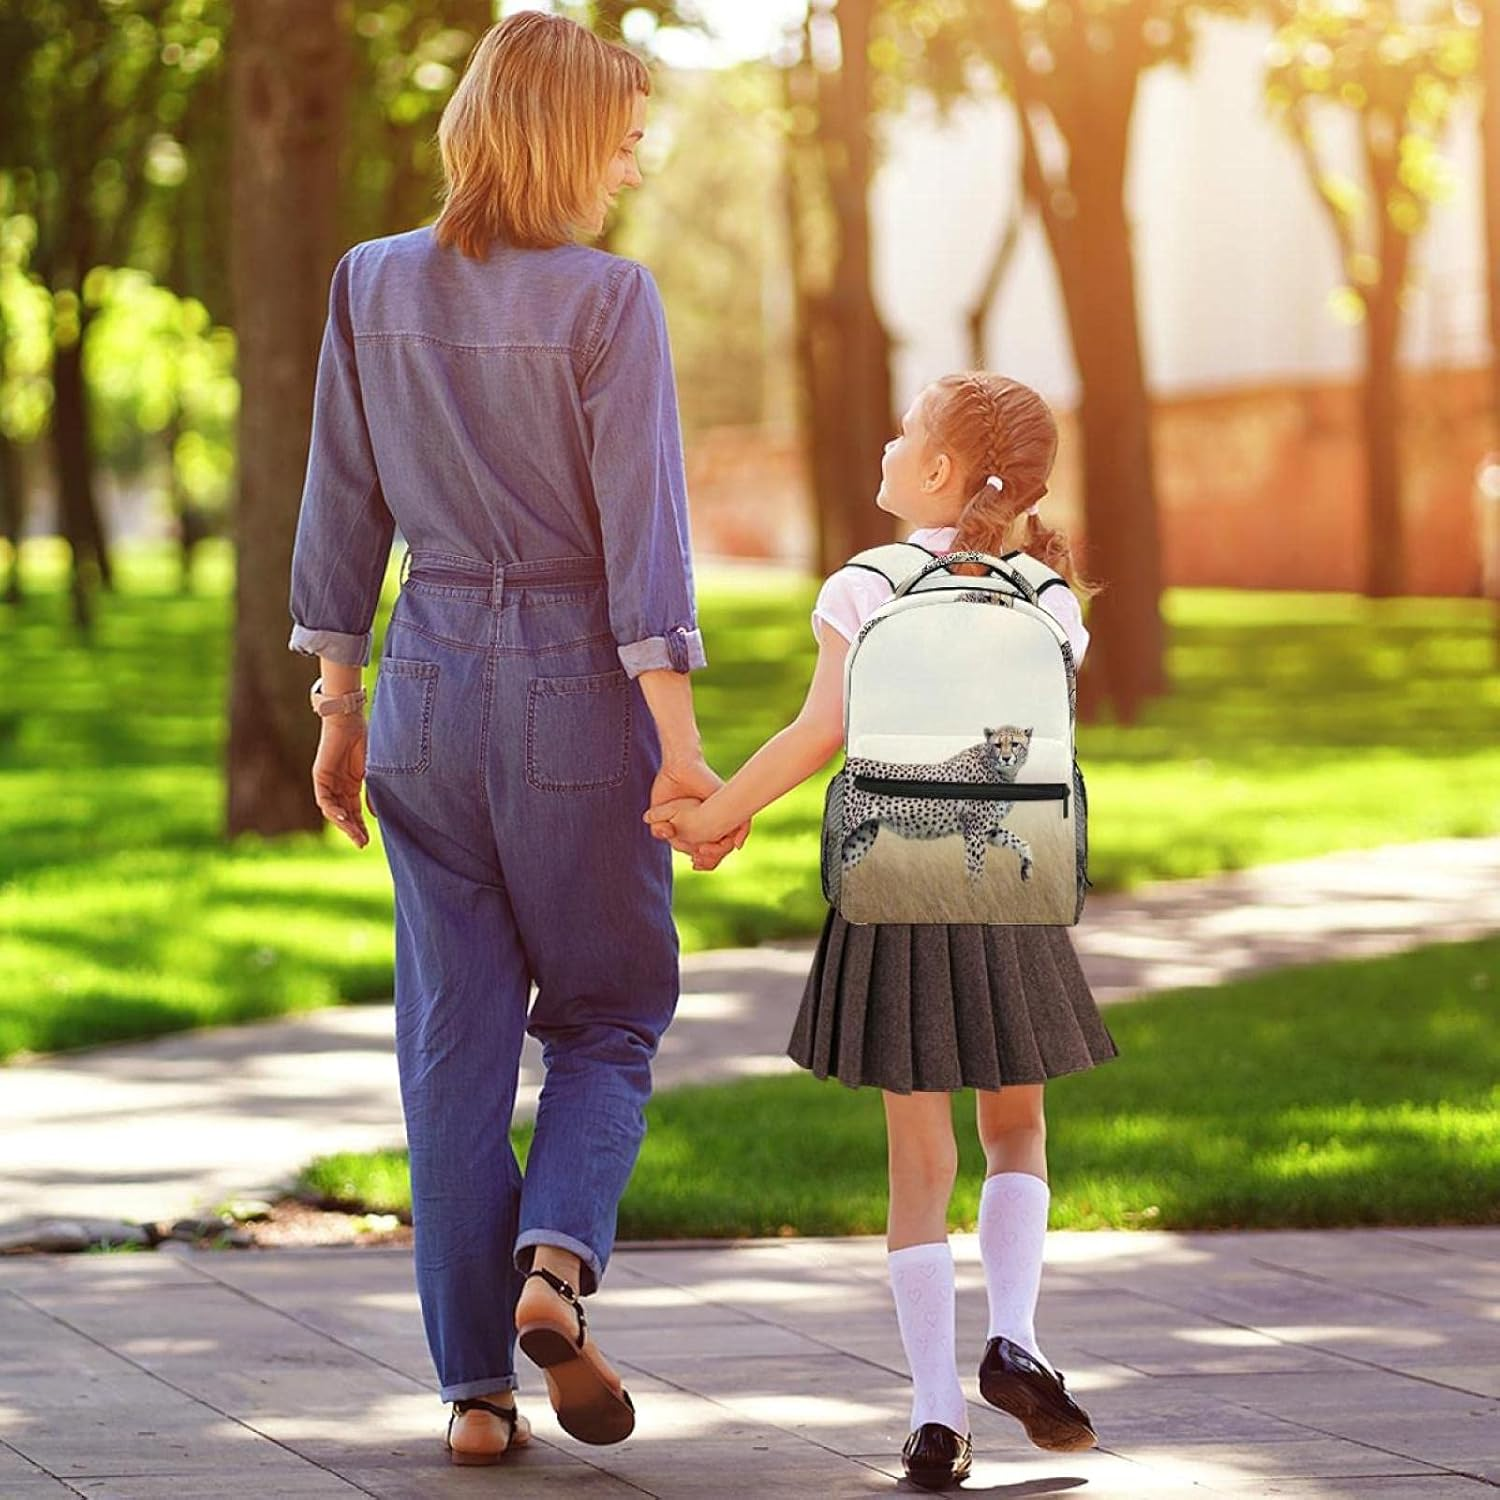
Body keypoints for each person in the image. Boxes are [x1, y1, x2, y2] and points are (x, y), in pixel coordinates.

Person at [286, 12, 747, 1467]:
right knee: (610, 1014)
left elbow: (339, 508)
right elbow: (643, 548)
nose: (628, 160)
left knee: (454, 1044)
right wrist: (680, 749)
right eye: (617, 135)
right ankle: (556, 1268)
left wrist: (339, 705)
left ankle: (474, 1394)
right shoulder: (611, 301)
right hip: (572, 688)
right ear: (558, 135)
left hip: (423, 683)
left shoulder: (369, 284)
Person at [645, 372, 1119, 1491]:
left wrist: (717, 815)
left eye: (905, 432)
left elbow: (824, 729)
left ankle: (935, 1416)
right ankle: (1018, 1335)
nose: (888, 443)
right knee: (1017, 1131)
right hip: (1011, 882)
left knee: (920, 1163)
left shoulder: (867, 584)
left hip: (893, 885)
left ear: (942, 472)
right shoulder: (1050, 594)